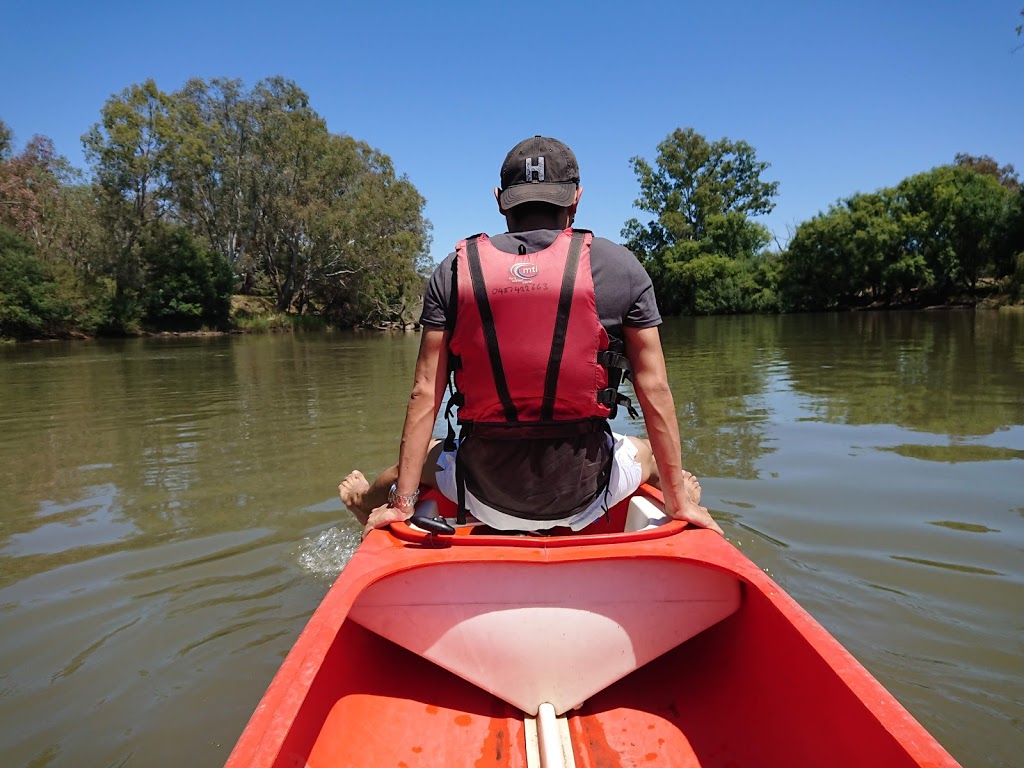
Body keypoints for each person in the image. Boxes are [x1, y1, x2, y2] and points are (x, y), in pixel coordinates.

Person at [340, 136, 722, 537]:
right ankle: (682, 499)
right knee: (650, 455)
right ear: (576, 198)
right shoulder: (622, 268)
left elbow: (424, 392)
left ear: (500, 199)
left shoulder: (453, 272)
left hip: (483, 493)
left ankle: (365, 501)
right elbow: (655, 388)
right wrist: (677, 500)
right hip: (586, 494)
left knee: (421, 462)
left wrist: (403, 503)